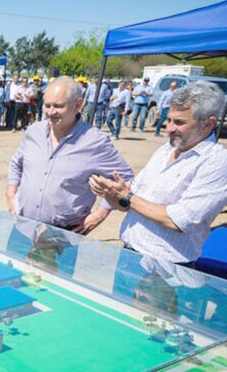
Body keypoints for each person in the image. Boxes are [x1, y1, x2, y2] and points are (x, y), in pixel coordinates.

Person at [90, 81, 227, 266]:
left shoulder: (216, 161)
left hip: (165, 269)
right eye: (169, 120)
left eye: (179, 122)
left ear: (208, 124)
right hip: (129, 255)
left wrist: (126, 196)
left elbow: (178, 221)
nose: (169, 128)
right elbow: (130, 203)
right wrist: (112, 193)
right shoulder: (166, 149)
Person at [6, 76, 134, 234]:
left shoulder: (95, 141)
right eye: (47, 106)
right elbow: (16, 163)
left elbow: (126, 180)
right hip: (22, 225)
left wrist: (100, 214)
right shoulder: (34, 132)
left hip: (63, 234)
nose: (51, 112)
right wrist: (11, 194)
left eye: (58, 106)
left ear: (78, 105)